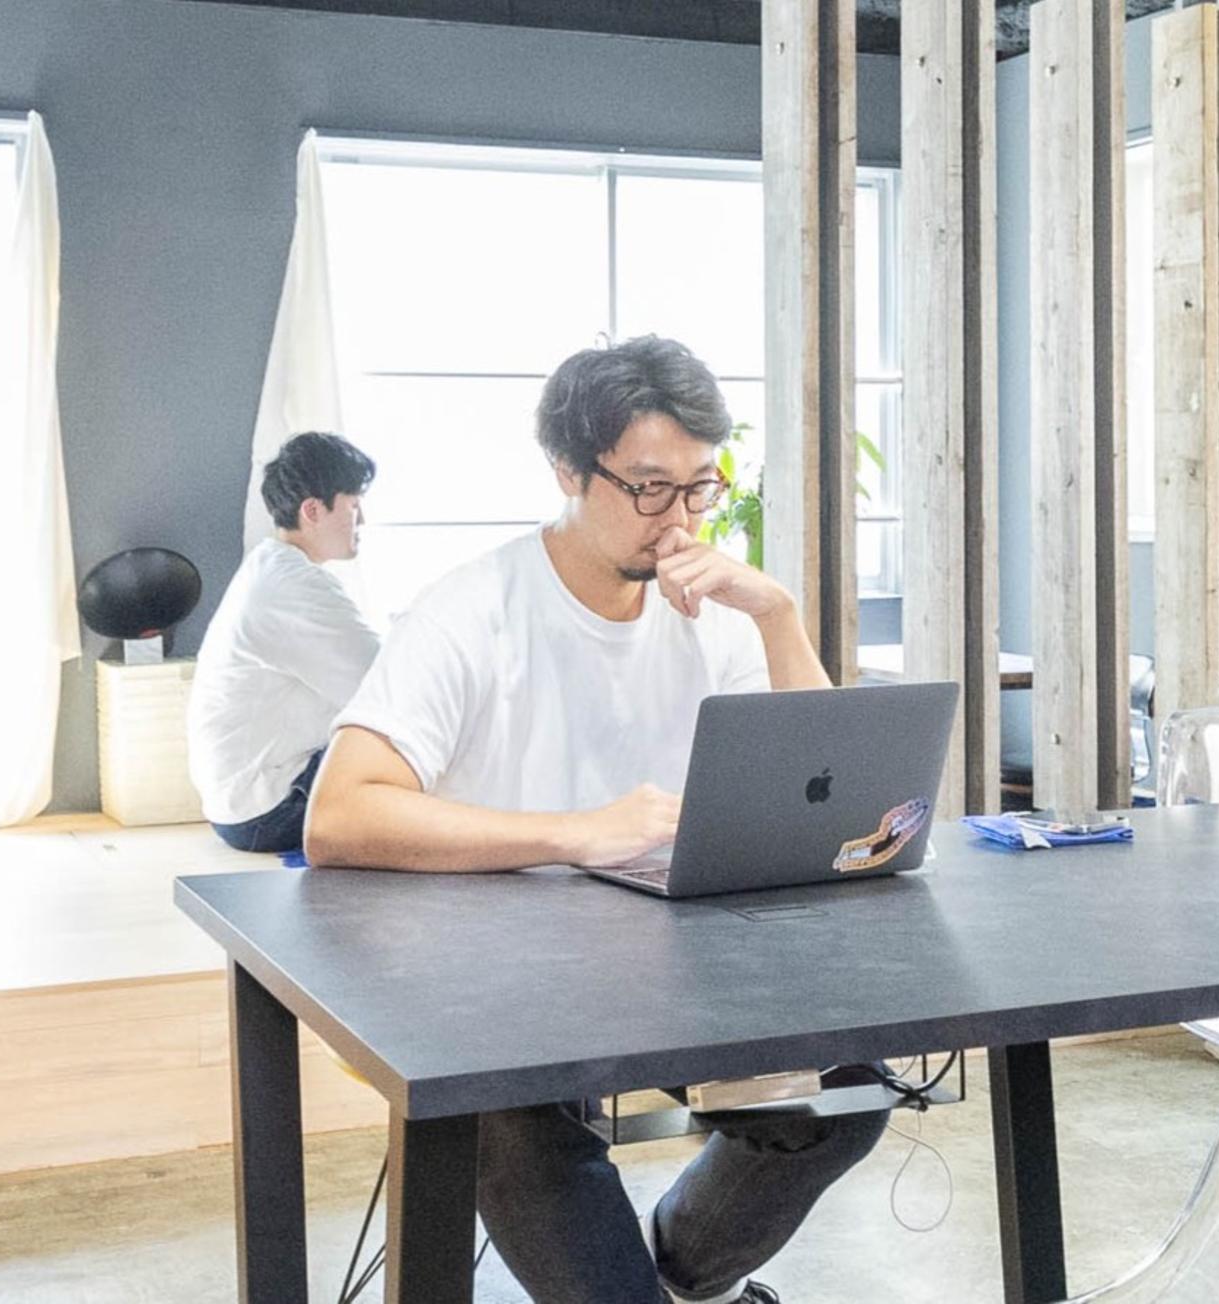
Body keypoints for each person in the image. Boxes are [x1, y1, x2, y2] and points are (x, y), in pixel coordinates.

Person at [305, 337, 887, 1304]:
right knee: (510, 1118)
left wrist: (778, 614)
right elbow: (340, 813)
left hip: (669, 963)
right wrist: (576, 833)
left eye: (700, 487)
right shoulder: (471, 611)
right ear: (568, 471)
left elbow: (834, 797)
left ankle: (681, 1268)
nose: (680, 519)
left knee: (846, 1094)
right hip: (489, 983)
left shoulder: (717, 611)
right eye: (650, 488)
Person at [188, 431, 378, 855]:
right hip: (268, 811)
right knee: (413, 749)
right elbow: (381, 688)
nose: (362, 520)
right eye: (353, 506)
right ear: (313, 510)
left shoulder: (272, 568)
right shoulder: (293, 587)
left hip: (243, 804)